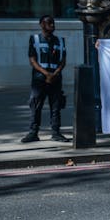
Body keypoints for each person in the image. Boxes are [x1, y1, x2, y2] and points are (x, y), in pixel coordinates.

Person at [21, 15, 70, 143]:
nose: (52, 26)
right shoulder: (35, 39)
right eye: (49, 23)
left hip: (56, 78)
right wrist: (46, 74)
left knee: (56, 106)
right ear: (42, 25)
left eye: (53, 23)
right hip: (39, 79)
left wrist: (55, 74)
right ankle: (33, 132)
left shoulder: (60, 40)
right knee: (36, 105)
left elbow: (63, 61)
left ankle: (56, 132)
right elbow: (32, 60)